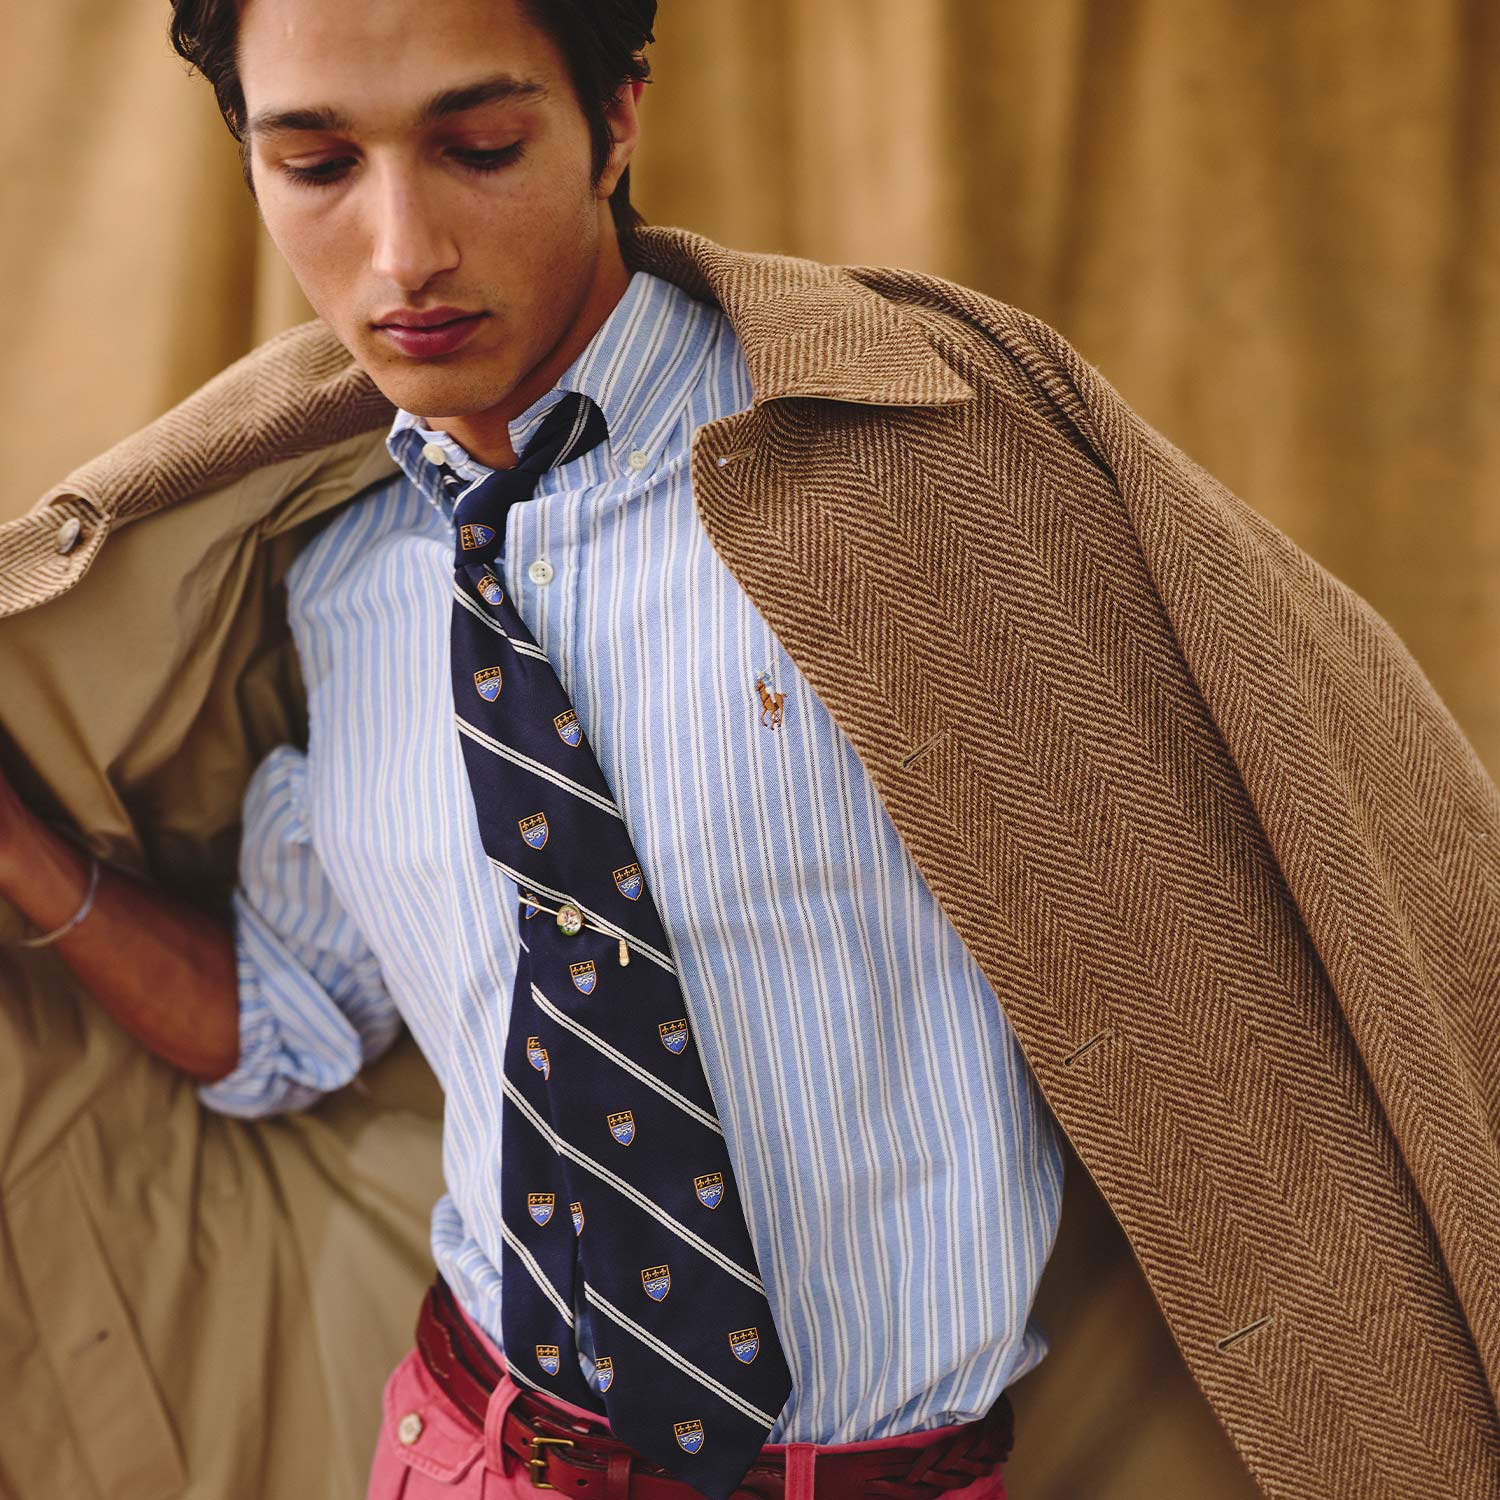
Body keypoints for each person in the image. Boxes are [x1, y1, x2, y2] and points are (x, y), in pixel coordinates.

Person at [2, 0, 1497, 1497]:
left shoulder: (911, 486)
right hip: (472, 1450)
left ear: (618, 119)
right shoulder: (336, 584)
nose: (403, 251)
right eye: (317, 164)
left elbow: (1317, 919)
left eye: (479, 146)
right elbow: (287, 1029)